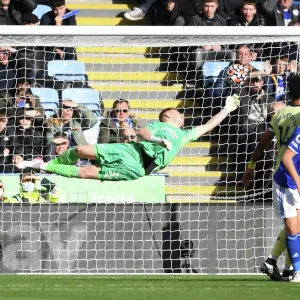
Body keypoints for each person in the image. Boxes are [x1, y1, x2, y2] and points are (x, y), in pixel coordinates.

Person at [17, 94, 240, 181]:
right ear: (169, 115)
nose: (183, 116)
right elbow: (142, 133)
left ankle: (45, 167)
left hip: (139, 167)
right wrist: (158, 141)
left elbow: (208, 126)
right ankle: (47, 165)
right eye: (179, 113)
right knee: (80, 151)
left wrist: (226, 110)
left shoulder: (184, 135)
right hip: (132, 150)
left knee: (85, 172)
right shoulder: (160, 124)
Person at [242, 75, 300, 281]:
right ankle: (292, 269)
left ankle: (274, 261)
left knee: (294, 225)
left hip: (285, 173)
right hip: (289, 176)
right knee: (293, 226)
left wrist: (250, 167)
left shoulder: (281, 113)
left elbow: (263, 142)